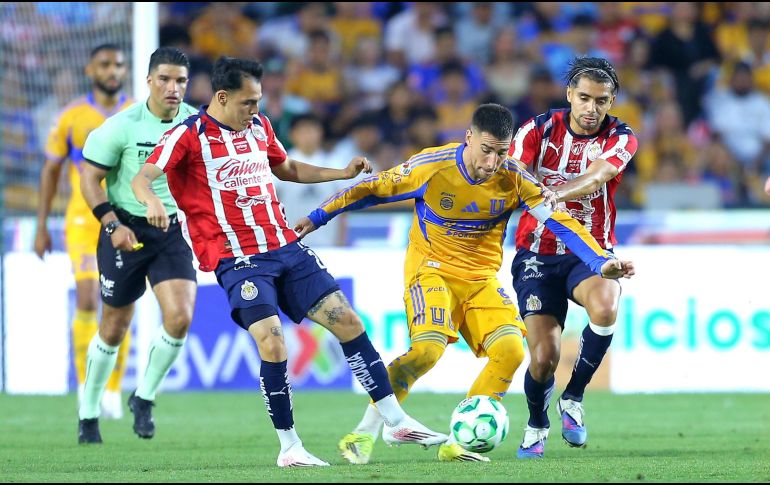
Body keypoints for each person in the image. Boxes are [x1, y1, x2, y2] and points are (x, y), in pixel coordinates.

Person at [130, 56, 448, 468]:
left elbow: (288, 167)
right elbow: (142, 178)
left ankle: (395, 421)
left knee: (349, 321)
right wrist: (152, 201)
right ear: (222, 97)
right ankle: (290, 446)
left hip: (285, 246)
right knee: (273, 340)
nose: (255, 109)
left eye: (258, 101)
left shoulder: (259, 127)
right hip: (238, 257)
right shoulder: (188, 136)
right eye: (248, 102)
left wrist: (341, 173)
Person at [294, 103, 635, 464]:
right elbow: (371, 189)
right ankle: (365, 431)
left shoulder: (514, 177)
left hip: (481, 279)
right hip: (431, 270)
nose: (492, 162)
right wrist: (317, 218)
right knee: (427, 350)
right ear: (469, 137)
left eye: (501, 153)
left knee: (511, 351)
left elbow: (560, 221)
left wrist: (600, 262)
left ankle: (460, 440)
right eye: (486, 150)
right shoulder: (432, 166)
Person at [507, 57, 639, 458]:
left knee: (605, 306)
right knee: (543, 358)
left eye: (601, 101)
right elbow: (512, 174)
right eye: (584, 98)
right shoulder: (537, 129)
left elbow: (598, 176)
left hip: (590, 251)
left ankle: (574, 396)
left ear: (611, 101)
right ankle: (537, 423)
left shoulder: (621, 137)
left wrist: (554, 194)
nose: (591, 108)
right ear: (569, 94)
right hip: (537, 252)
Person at [77, 47, 199, 444]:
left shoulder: (196, 125)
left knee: (180, 317)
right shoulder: (121, 126)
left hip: (170, 230)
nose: (173, 88)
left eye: (180, 80)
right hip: (124, 229)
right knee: (114, 327)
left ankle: (144, 397)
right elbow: (88, 179)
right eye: (164, 79)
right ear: (148, 80)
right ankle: (88, 412)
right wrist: (112, 224)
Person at [35, 44, 134, 420]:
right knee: (89, 298)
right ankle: (85, 384)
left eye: (118, 65)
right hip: (82, 219)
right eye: (105, 65)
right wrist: (42, 225)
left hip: (127, 219)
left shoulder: (138, 113)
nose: (112, 71)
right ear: (90, 70)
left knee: (120, 304)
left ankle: (112, 389)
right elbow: (50, 170)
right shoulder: (70, 116)